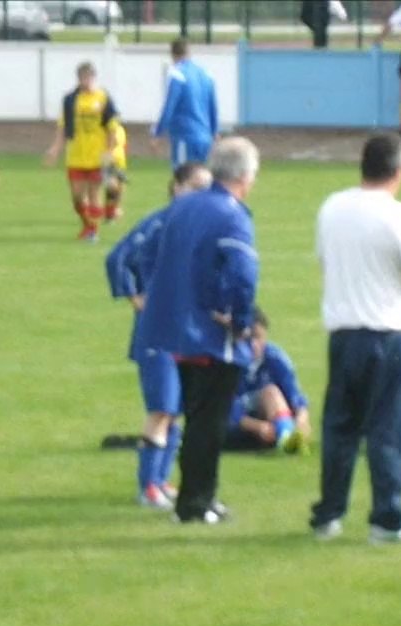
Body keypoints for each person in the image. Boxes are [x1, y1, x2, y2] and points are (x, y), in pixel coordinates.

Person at [310, 133, 401, 546]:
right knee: (388, 428)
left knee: (340, 428)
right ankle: (386, 519)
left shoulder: (332, 207)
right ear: (398, 172)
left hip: (342, 333)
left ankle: (329, 513)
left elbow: (324, 260)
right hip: (384, 335)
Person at [139, 137, 261, 525]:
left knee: (196, 417)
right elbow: (242, 276)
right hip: (210, 336)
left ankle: (200, 497)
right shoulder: (233, 215)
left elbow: (146, 253)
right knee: (208, 422)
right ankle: (195, 503)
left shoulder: (184, 205)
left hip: (177, 330)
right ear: (244, 176)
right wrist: (238, 319)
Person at [104, 162, 213, 510]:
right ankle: (147, 486)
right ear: (176, 187)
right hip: (157, 335)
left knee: (176, 408)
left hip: (184, 334)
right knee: (162, 407)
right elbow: (117, 258)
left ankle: (162, 481)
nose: (202, 195)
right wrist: (135, 297)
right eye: (196, 186)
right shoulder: (160, 222)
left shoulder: (198, 228)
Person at [44, 62, 120, 243]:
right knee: (77, 197)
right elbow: (63, 126)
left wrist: (109, 151)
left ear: (94, 77)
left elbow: (111, 127)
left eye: (89, 77)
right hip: (76, 155)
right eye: (82, 77)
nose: (86, 81)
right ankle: (87, 224)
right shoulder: (70, 99)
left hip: (97, 155)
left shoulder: (103, 98)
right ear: (78, 78)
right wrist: (55, 148)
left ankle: (92, 231)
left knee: (94, 194)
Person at [224, 308, 313, 453]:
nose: (253, 344)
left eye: (258, 337)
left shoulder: (276, 358)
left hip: (269, 428)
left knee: (271, 392)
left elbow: (296, 398)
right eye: (248, 338)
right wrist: (256, 426)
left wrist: (302, 419)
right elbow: (224, 407)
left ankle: (287, 438)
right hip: (233, 429)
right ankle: (286, 437)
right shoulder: (229, 363)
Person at [151, 39, 218, 170]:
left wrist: (158, 133)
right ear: (189, 52)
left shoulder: (177, 74)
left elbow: (169, 107)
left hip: (185, 136)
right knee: (202, 180)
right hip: (205, 137)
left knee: (183, 180)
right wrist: (214, 131)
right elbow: (213, 106)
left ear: (172, 54)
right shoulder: (206, 74)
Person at [102, 120, 128, 222]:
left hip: (121, 162)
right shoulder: (105, 130)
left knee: (119, 189)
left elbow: (123, 146)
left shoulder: (121, 130)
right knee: (112, 187)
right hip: (109, 162)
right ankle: (109, 213)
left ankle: (113, 211)